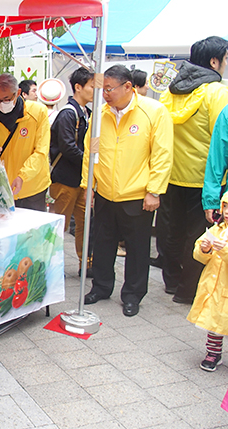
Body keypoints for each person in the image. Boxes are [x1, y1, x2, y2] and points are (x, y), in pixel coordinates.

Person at [82, 65, 173, 317]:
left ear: (128, 87)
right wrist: (88, 185)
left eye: (109, 89)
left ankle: (132, 294)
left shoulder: (154, 112)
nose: (105, 94)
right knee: (102, 244)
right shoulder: (100, 114)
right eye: (103, 89)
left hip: (137, 194)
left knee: (137, 248)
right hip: (105, 192)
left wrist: (154, 190)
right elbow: (91, 150)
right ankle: (100, 287)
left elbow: (163, 154)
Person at [159, 36, 228, 304]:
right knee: (200, 234)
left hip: (170, 174)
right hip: (205, 178)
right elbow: (222, 140)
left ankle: (172, 281)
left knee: (171, 231)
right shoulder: (217, 92)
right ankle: (188, 290)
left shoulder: (170, 91)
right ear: (214, 61)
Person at [0, 73, 51, 211]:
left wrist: (23, 176)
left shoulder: (38, 112)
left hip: (33, 188)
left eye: (6, 99)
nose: (2, 104)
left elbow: (41, 151)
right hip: (2, 190)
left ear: (18, 93)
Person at [49, 67, 95, 277]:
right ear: (78, 87)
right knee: (60, 224)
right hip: (66, 179)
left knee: (85, 224)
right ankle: (50, 263)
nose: (97, 92)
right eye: (93, 87)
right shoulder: (68, 113)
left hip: (81, 180)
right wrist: (89, 163)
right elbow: (67, 147)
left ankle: (86, 263)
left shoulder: (88, 113)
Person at [188, 191, 228, 372]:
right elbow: (199, 255)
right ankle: (213, 353)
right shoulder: (216, 229)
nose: (226, 211)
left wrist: (225, 251)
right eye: (225, 206)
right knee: (213, 321)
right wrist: (204, 250)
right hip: (214, 285)